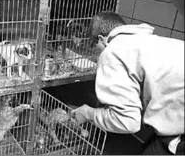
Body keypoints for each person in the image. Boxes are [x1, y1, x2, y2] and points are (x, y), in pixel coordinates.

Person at [71, 11, 184, 155]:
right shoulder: (149, 41)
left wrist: (87, 113)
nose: (98, 54)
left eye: (95, 48)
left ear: (101, 39)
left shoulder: (113, 51)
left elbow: (128, 122)